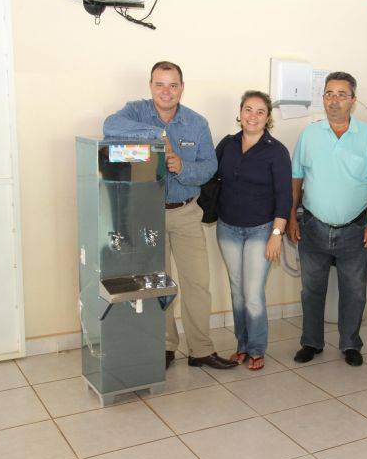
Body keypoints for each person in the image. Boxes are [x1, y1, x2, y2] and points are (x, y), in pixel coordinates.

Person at [103, 61, 237, 370]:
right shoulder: (135, 111)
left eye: (173, 85)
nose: (166, 91)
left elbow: (209, 167)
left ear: (182, 88)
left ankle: (200, 350)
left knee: (197, 283)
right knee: (157, 285)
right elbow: (110, 126)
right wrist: (158, 135)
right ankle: (164, 347)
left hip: (186, 212)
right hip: (147, 214)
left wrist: (182, 167)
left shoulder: (196, 123)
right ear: (150, 86)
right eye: (160, 84)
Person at [286, 72, 367, 367]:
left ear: (353, 100)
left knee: (354, 291)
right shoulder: (310, 135)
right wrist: (292, 217)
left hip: (355, 229)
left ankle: (350, 344)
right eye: (329, 93)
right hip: (313, 226)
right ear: (323, 99)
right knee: (311, 290)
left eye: (342, 94)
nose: (334, 100)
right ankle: (311, 342)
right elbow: (296, 178)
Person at [216, 91, 292, 371]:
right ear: (240, 112)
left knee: (252, 292)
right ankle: (242, 345)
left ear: (268, 117)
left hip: (261, 230)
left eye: (260, 111)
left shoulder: (276, 151)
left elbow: (284, 197)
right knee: (237, 291)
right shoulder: (227, 145)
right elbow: (210, 177)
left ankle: (257, 348)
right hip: (227, 229)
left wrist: (277, 235)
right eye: (248, 109)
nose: (253, 116)